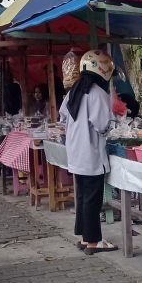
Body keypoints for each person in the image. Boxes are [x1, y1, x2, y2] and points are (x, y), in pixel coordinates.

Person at [60, 50, 118, 255]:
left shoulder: (73, 91)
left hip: (76, 152)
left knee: (83, 196)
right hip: (91, 153)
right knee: (92, 198)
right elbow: (102, 125)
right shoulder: (98, 94)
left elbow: (63, 118)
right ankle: (94, 241)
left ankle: (85, 238)